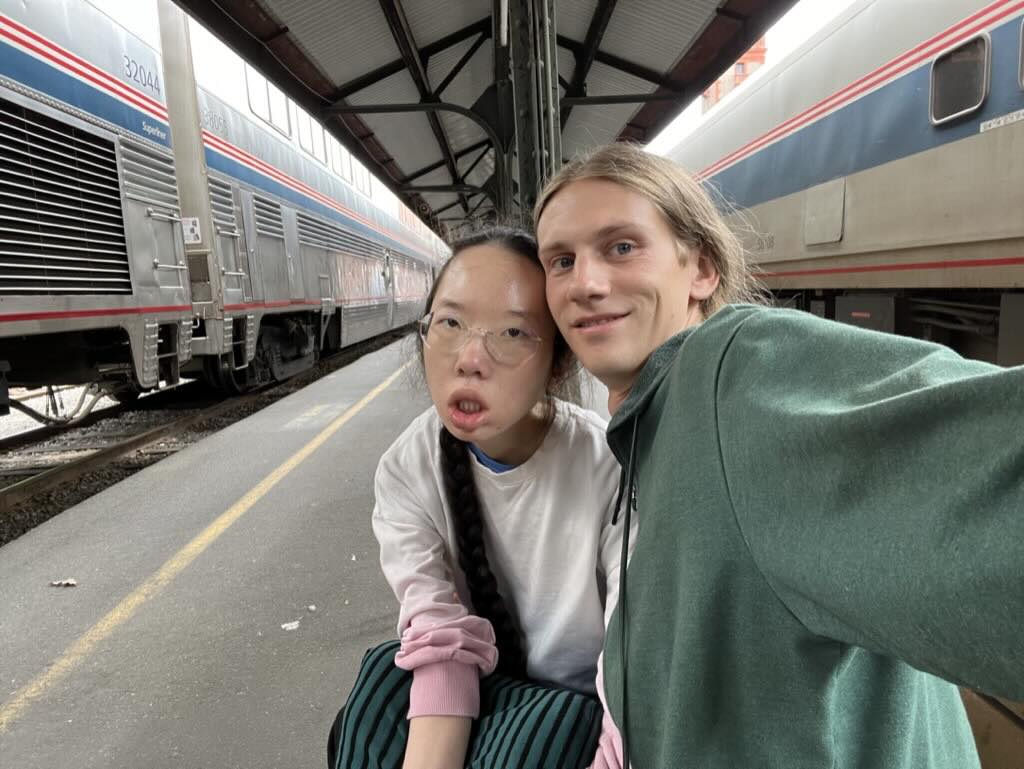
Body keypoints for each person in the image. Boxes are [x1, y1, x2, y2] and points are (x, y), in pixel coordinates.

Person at [533, 142, 1024, 769]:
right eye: (561, 261)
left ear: (701, 269)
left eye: (622, 247)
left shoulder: (734, 375)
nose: (586, 284)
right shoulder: (659, 429)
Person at [327, 226, 633, 769]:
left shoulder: (609, 467)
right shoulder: (407, 467)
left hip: (575, 714)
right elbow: (440, 637)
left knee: (545, 735)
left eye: (513, 333)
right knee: (378, 692)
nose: (469, 358)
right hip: (472, 684)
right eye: (449, 322)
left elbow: (634, 668)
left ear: (558, 362)